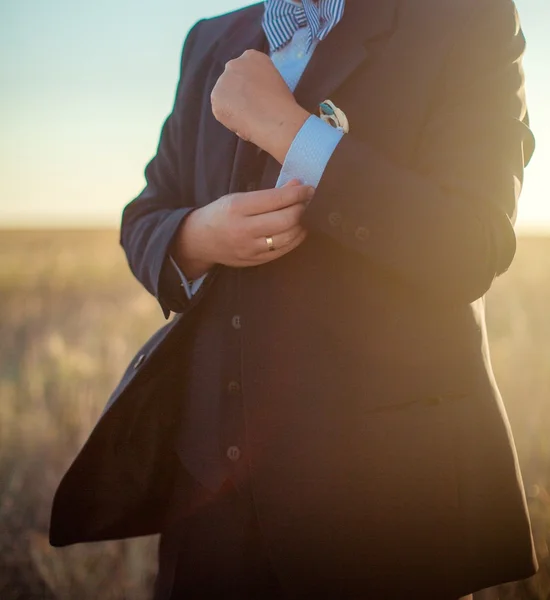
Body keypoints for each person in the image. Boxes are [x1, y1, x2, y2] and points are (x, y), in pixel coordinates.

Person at [49, 0, 538, 598]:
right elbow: (146, 215)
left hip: (386, 513)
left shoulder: (466, 17)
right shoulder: (209, 40)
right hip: (208, 518)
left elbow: (471, 245)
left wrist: (285, 127)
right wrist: (199, 235)